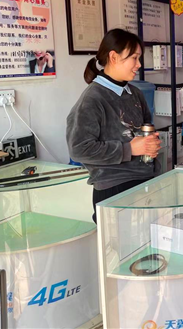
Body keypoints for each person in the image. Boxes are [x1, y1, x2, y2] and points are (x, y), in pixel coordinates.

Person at [66, 29, 161, 223]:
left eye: (139, 58)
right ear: (114, 57)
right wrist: (129, 149)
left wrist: (150, 144)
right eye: (134, 58)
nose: (139, 64)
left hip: (145, 180)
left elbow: (144, 130)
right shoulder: (92, 99)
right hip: (114, 187)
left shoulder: (135, 93)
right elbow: (79, 149)